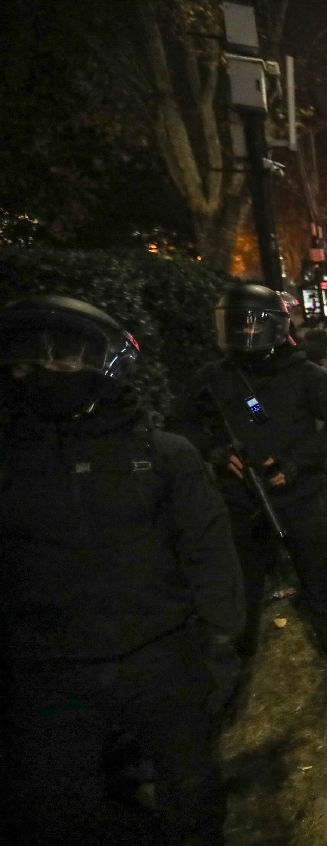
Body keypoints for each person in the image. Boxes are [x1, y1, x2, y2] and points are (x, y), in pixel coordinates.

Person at [0, 295, 244, 845]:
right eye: (28, 362)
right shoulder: (11, 464)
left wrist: (219, 645)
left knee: (192, 796)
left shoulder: (162, 456)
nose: (45, 373)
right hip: (49, 672)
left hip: (162, 657)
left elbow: (208, 552)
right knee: (68, 811)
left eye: (63, 360)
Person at [174, 282, 327, 693]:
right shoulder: (212, 377)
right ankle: (234, 683)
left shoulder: (304, 374)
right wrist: (217, 452)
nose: (246, 333)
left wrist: (296, 462)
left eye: (253, 324)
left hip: (298, 498)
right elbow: (179, 426)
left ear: (274, 326)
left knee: (319, 584)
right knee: (242, 591)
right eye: (237, 324)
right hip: (239, 501)